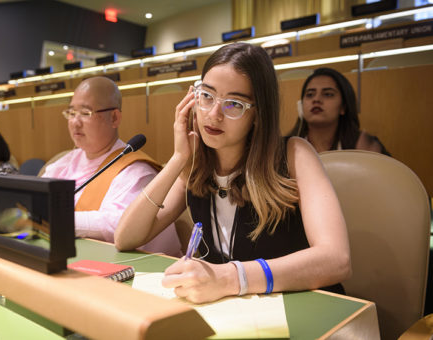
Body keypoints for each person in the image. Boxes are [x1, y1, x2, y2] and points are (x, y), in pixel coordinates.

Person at [115, 43, 351, 304]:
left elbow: (336, 259)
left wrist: (228, 277)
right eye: (207, 96)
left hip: (303, 309)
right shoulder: (195, 166)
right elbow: (126, 237)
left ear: (258, 115)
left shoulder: (295, 154)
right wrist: (178, 158)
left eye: (234, 104)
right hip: (232, 315)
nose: (214, 115)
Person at [41, 76, 181, 257]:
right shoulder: (63, 163)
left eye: (85, 113)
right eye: (71, 113)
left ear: (114, 117)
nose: (75, 122)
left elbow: (117, 223)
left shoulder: (136, 171)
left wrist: (54, 218)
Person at [288, 67, 390, 155]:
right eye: (310, 95)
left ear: (343, 107)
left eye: (328, 94)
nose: (316, 99)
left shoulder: (363, 145)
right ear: (301, 106)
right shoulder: (286, 147)